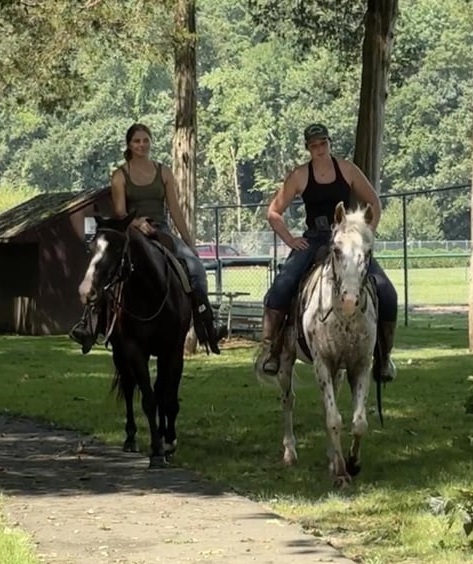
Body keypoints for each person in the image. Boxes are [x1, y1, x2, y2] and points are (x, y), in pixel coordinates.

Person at [258, 123, 398, 379]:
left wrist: (366, 236)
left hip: (348, 240)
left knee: (387, 291)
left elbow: (374, 202)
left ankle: (383, 357)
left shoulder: (347, 169)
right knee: (282, 285)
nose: (319, 149)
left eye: (323, 144)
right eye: (313, 146)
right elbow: (273, 212)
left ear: (329, 143)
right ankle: (272, 349)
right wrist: (290, 240)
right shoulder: (300, 175)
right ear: (308, 148)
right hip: (314, 239)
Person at [70, 123, 223, 354]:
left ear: (150, 142)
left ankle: (206, 324)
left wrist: (189, 242)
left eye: (145, 140)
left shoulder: (164, 172)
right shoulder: (120, 175)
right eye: (136, 141)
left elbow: (175, 209)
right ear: (129, 145)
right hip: (131, 231)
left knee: (195, 268)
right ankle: (88, 325)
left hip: (161, 230)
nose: (142, 145)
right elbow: (120, 212)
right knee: (106, 268)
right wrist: (136, 222)